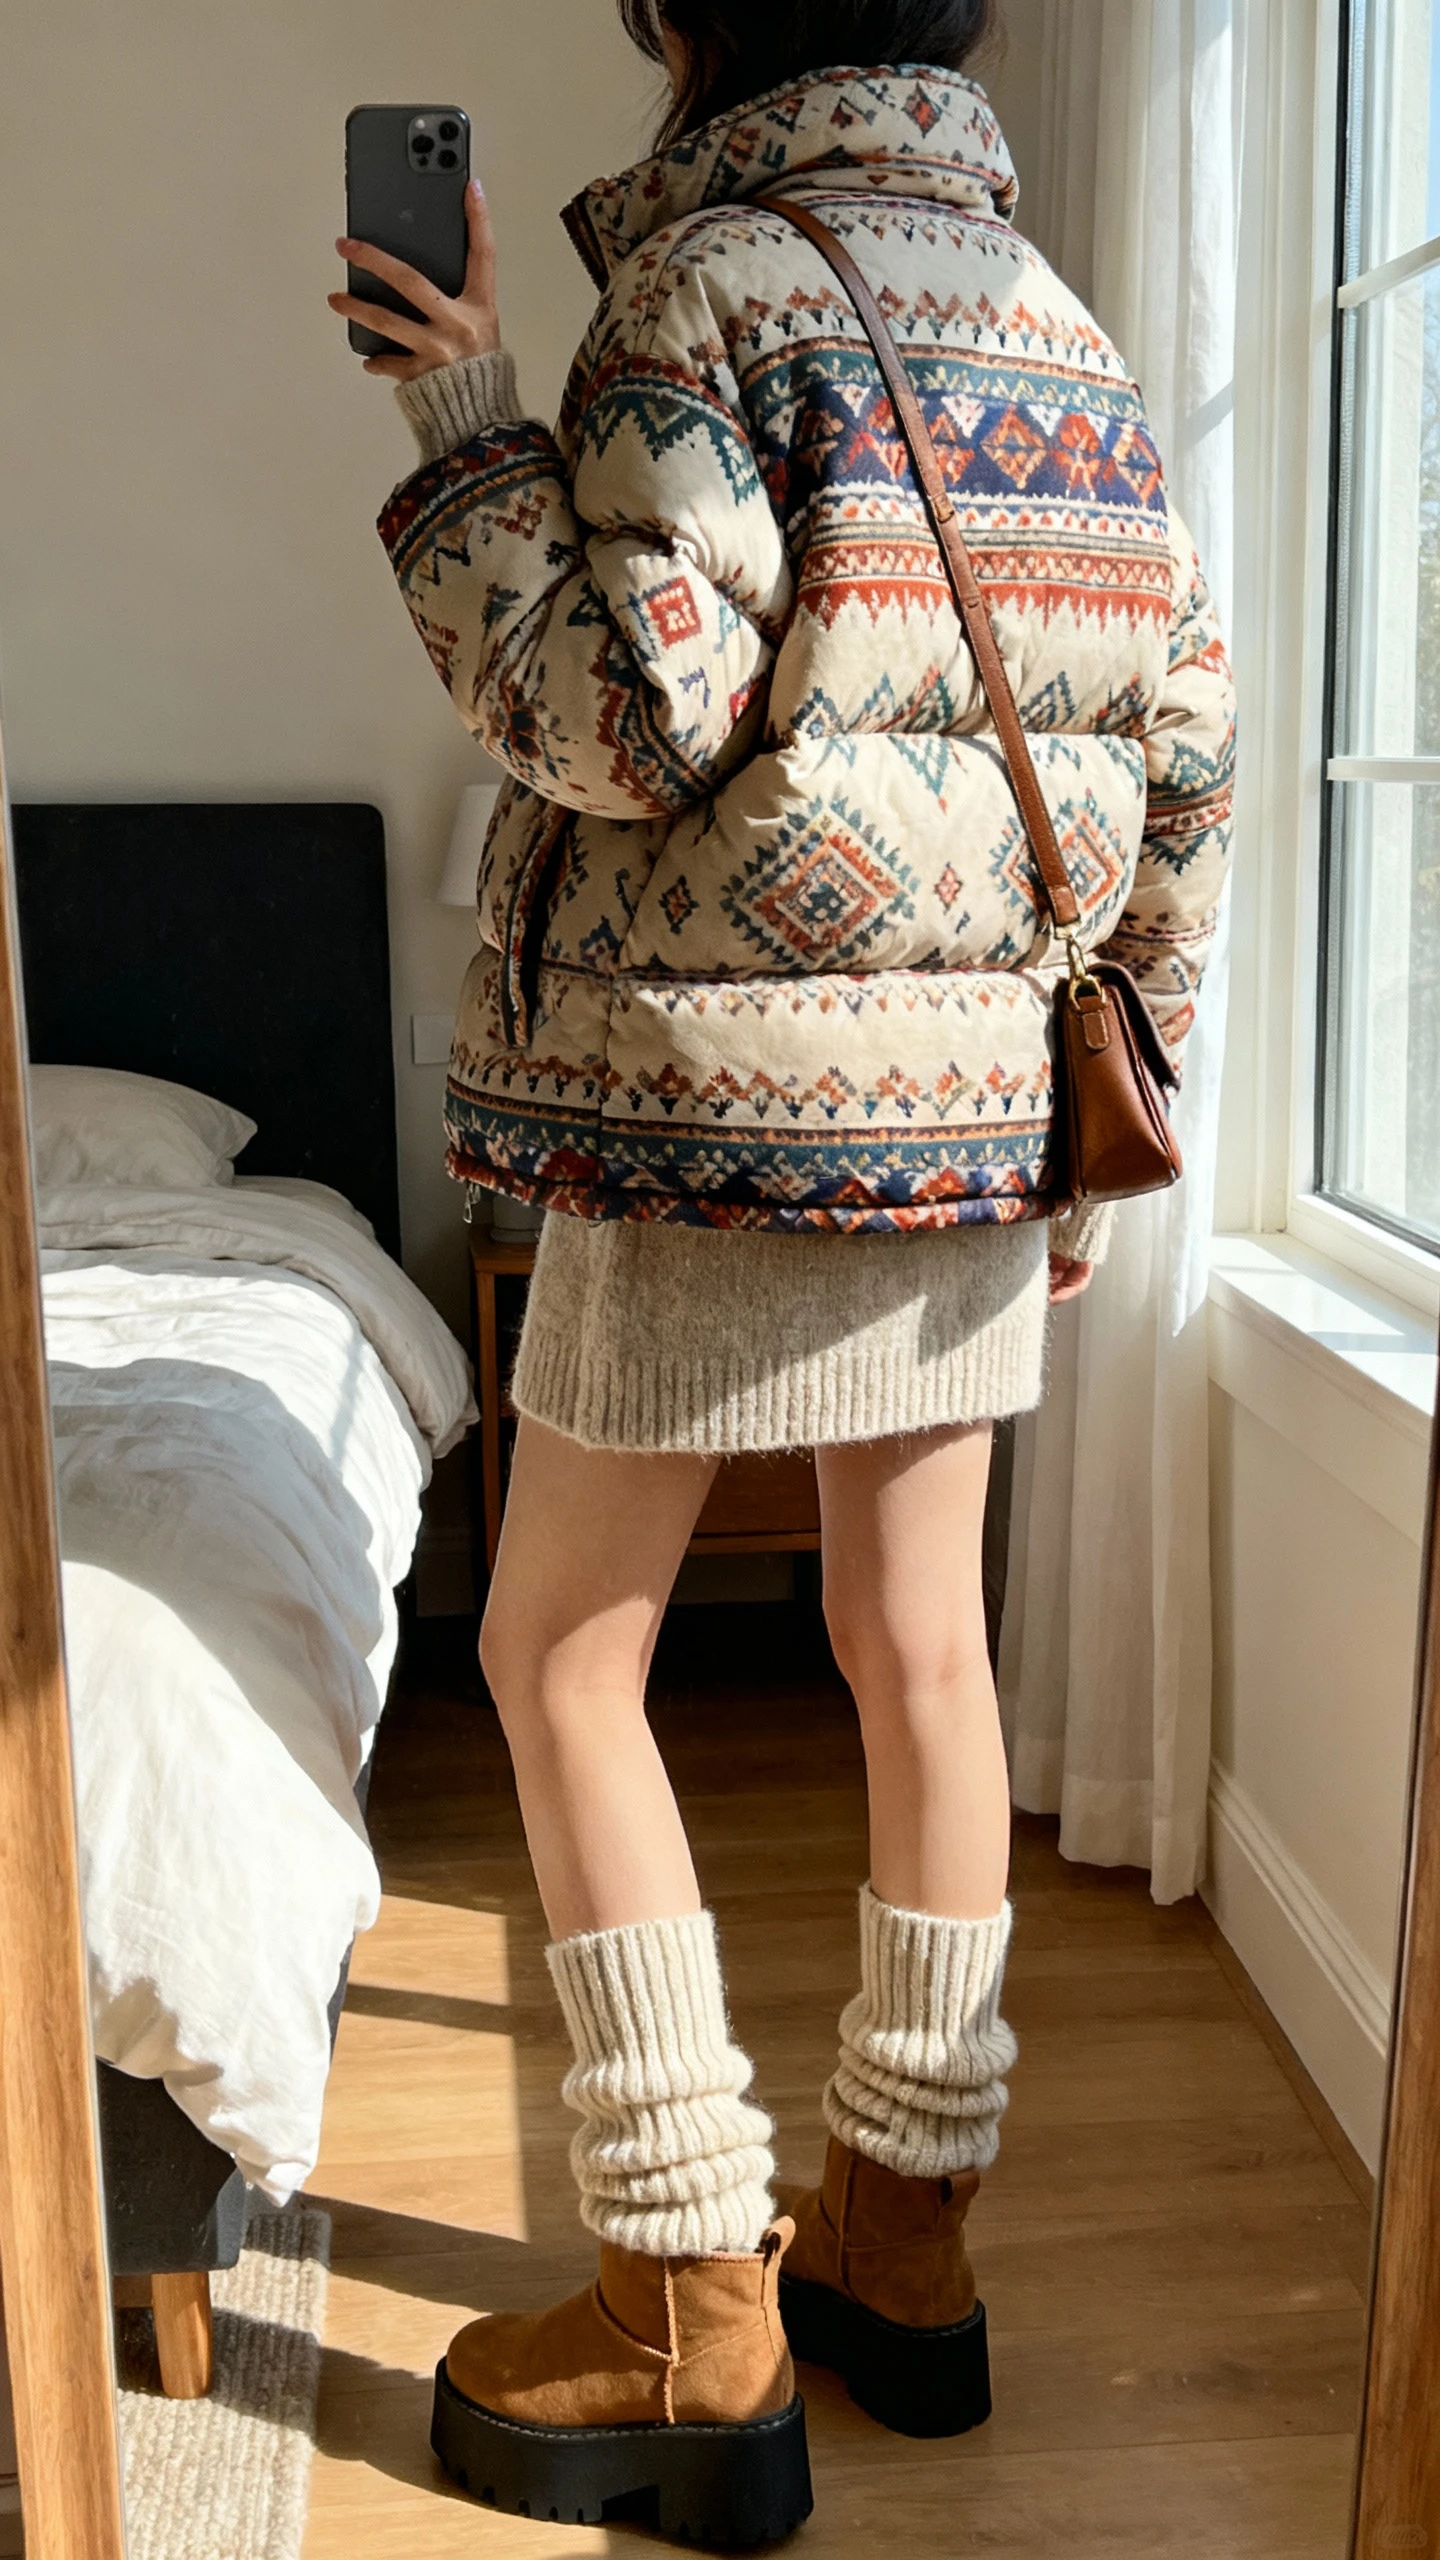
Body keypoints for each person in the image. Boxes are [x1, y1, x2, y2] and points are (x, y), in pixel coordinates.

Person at [330, 2, 1235, 2539]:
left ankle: (682, 2312)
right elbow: (1186, 766)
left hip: (701, 1103)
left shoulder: (711, 285)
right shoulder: (1072, 333)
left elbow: (624, 710)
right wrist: (1084, 1137)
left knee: (553, 1646)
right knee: (921, 1645)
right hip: (970, 1129)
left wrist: (470, 419)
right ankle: (906, 2257)